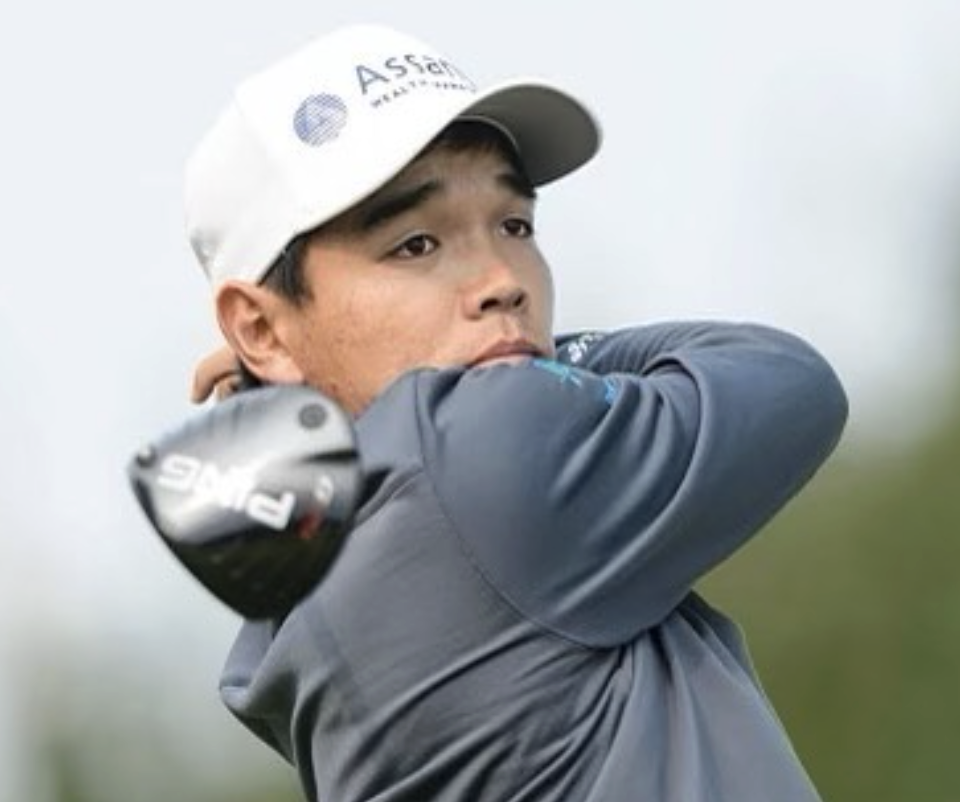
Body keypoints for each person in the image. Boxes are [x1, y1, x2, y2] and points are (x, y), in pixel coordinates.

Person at [183, 23, 848, 802]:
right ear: (260, 328)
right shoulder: (474, 465)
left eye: (515, 225)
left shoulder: (303, 575)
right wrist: (536, 363)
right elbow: (786, 380)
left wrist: (311, 373)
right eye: (416, 244)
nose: (503, 279)